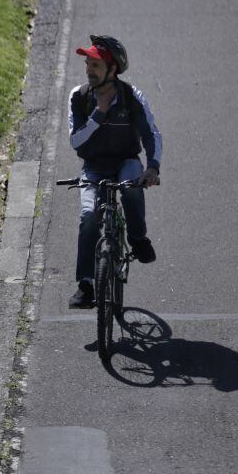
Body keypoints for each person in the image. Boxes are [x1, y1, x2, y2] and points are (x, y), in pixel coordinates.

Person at [67, 35, 162, 308]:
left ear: (113, 69)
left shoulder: (132, 97)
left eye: (95, 65)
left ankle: (137, 238)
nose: (88, 70)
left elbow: (151, 134)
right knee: (88, 218)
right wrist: (99, 114)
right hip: (94, 167)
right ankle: (86, 285)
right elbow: (75, 142)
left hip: (125, 162)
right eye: (88, 64)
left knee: (132, 186)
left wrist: (153, 168)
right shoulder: (79, 97)